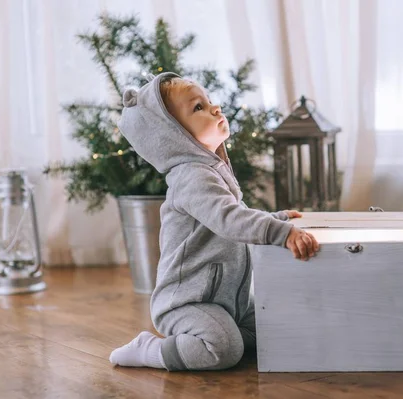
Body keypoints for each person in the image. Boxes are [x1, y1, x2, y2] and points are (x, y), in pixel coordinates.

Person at [109, 72, 319, 371]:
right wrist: (279, 231)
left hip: (228, 300)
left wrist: (276, 217)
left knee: (275, 327)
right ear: (173, 135)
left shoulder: (210, 169)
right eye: (198, 108)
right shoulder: (191, 176)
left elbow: (234, 211)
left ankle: (228, 333)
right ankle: (151, 350)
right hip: (187, 302)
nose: (215, 108)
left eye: (208, 102)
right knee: (222, 349)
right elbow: (229, 219)